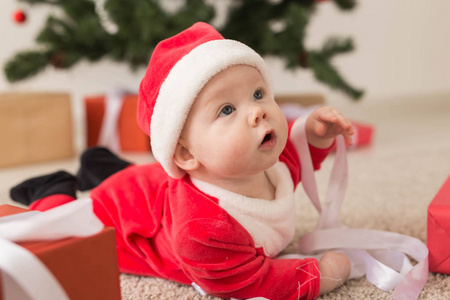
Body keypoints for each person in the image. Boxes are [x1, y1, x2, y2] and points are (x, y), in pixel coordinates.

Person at [11, 22, 354, 300]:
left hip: (154, 185)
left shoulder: (263, 164)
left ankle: (100, 164)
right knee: (62, 231)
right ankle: (54, 185)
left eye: (259, 93)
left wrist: (314, 134)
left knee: (145, 179)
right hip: (115, 209)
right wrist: (319, 275)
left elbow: (294, 160)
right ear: (187, 154)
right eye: (227, 109)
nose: (258, 111)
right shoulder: (201, 229)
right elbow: (246, 281)